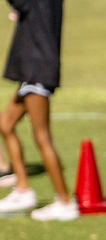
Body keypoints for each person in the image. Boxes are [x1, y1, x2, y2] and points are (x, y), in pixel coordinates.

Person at [0, 0, 77, 220]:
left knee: (42, 137)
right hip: (32, 69)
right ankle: (23, 191)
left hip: (38, 70)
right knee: (6, 124)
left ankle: (65, 202)